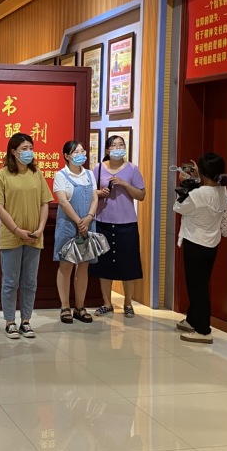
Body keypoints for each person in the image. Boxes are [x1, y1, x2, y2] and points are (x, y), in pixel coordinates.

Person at [0, 133, 52, 339]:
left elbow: (44, 203)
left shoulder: (36, 173)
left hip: (35, 236)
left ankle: (26, 320)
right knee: (10, 281)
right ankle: (10, 322)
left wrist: (40, 229)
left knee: (30, 281)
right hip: (11, 236)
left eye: (31, 148)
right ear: (13, 152)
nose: (29, 152)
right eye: (24, 148)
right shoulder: (3, 175)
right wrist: (16, 230)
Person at [174, 153, 227, 344]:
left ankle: (203, 330)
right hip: (212, 243)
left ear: (204, 172)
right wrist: (196, 181)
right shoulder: (221, 190)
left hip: (195, 243)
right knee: (201, 283)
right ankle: (192, 319)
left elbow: (178, 207)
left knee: (196, 288)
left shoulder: (199, 194)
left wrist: (185, 184)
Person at [89, 134, 146, 318]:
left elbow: (141, 195)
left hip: (127, 223)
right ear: (107, 149)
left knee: (128, 264)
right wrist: (101, 193)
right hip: (103, 221)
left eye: (121, 145)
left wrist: (124, 184)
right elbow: (91, 192)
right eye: (114, 145)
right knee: (104, 264)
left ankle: (128, 303)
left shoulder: (132, 169)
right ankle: (107, 303)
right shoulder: (98, 168)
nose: (118, 148)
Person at [52, 140, 97, 324]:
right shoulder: (61, 175)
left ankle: (80, 307)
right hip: (68, 225)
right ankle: (65, 307)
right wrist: (79, 221)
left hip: (88, 224)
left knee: (84, 266)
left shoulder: (89, 174)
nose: (81, 154)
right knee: (66, 266)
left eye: (82, 151)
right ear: (67, 156)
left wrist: (89, 217)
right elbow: (63, 201)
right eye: (76, 152)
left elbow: (95, 198)